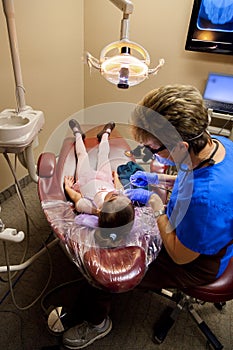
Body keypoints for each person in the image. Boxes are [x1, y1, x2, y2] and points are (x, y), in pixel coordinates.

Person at [62, 85, 233, 349]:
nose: (150, 154)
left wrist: (156, 205)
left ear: (181, 145)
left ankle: (97, 323)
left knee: (105, 265)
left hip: (196, 262)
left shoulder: (206, 200)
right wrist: (159, 178)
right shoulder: (220, 146)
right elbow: (193, 178)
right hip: (198, 225)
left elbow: (179, 255)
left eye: (154, 150)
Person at [64, 119, 135, 248]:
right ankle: (105, 134)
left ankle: (78, 134)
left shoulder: (89, 205)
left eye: (114, 196)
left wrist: (67, 187)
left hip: (85, 179)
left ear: (101, 208)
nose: (117, 193)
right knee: (104, 156)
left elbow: (76, 198)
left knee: (82, 155)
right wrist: (116, 178)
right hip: (105, 178)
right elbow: (118, 189)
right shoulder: (119, 200)